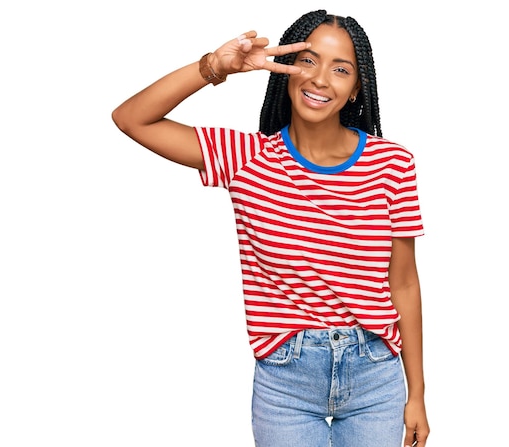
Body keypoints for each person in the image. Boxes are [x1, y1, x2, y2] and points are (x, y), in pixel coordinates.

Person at [112, 9, 429, 447]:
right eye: (308, 60)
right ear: (284, 69)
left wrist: (418, 395)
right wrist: (213, 68)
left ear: (357, 87)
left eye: (341, 69)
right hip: (286, 385)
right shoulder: (246, 158)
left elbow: (405, 283)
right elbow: (132, 118)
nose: (320, 79)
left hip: (375, 376)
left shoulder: (392, 164)